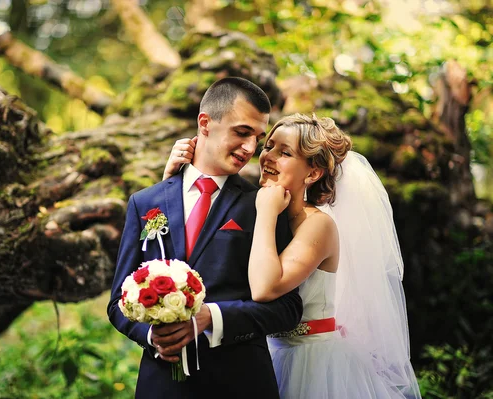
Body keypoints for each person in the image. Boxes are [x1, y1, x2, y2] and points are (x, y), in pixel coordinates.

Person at [165, 113, 421, 398]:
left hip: (313, 362)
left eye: (284, 152)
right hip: (259, 355)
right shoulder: (253, 210)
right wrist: (173, 180)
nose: (267, 157)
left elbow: (265, 288)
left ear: (312, 173)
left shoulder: (318, 225)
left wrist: (265, 213)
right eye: (268, 147)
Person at [107, 77, 303, 399]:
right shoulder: (145, 203)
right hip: (162, 386)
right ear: (205, 123)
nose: (251, 149)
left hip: (242, 383)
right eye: (241, 132)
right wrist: (152, 335)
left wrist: (212, 317)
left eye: (257, 137)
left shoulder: (264, 205)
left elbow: (288, 309)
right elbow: (117, 303)